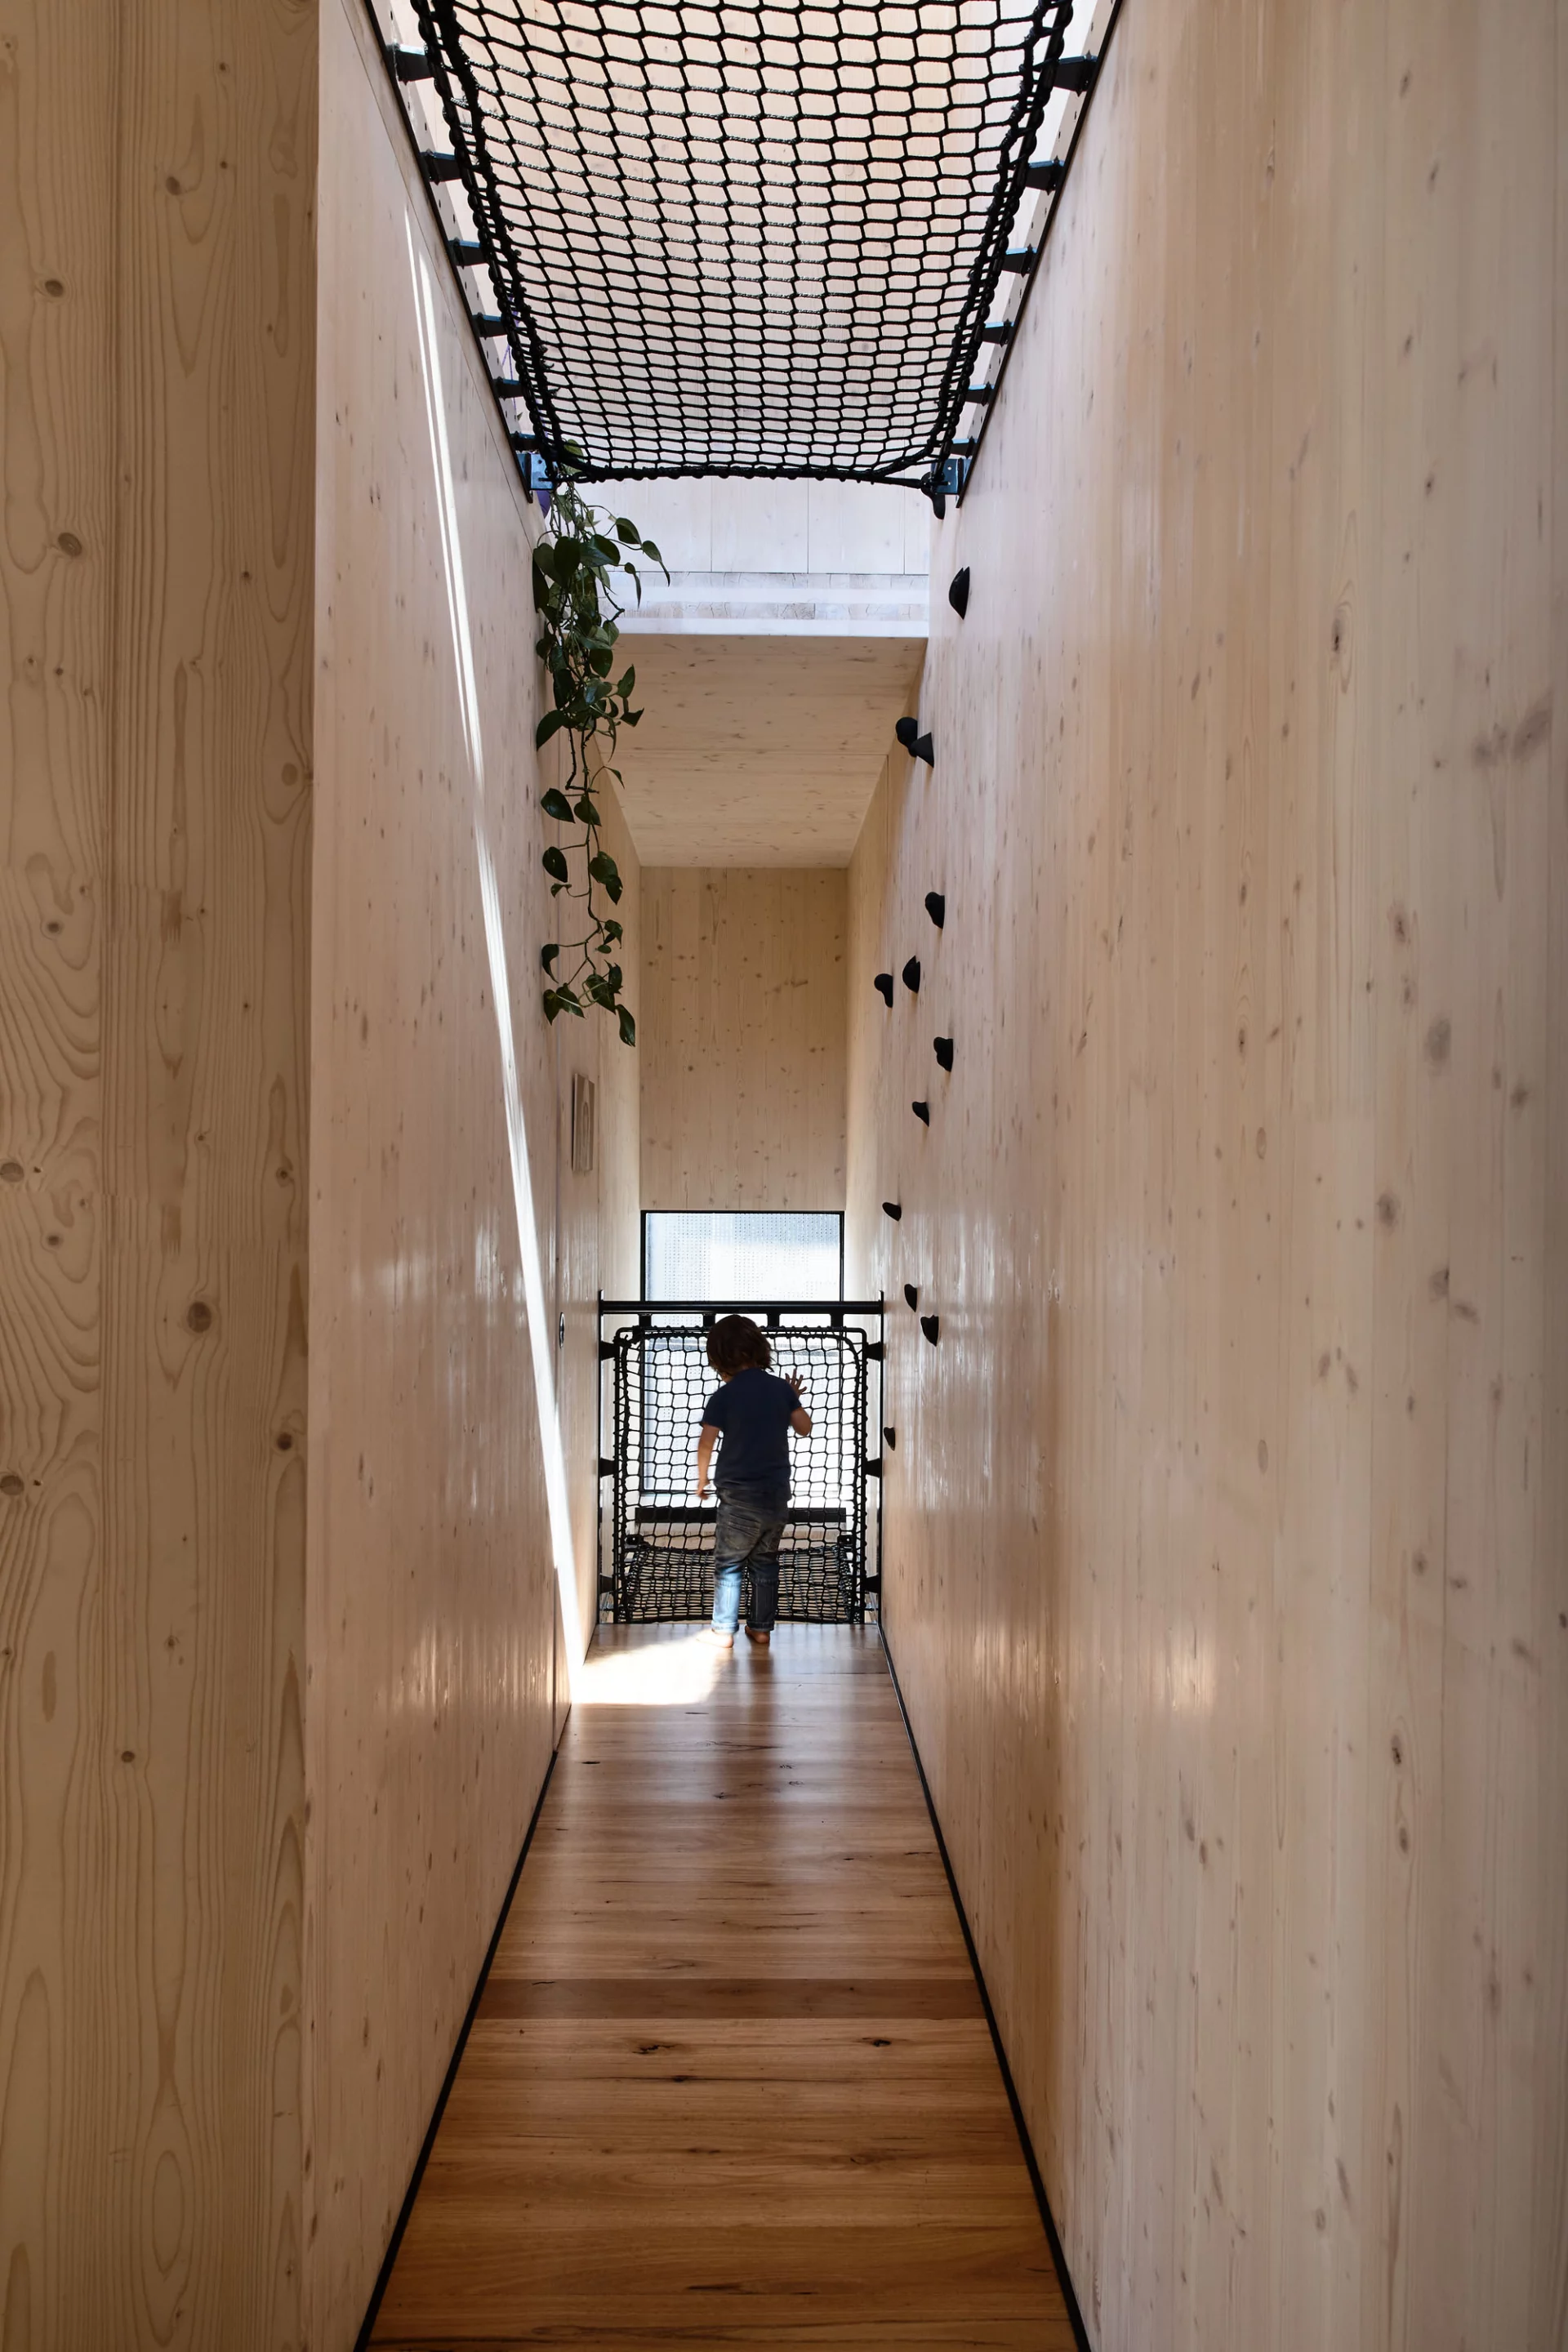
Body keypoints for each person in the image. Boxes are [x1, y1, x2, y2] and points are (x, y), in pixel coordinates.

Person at [695, 1313, 811, 1650]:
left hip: (738, 1498)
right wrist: (791, 1398)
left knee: (729, 1563)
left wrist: (702, 1479)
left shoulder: (723, 1396)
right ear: (758, 1349)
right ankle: (761, 1630)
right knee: (765, 1562)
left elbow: (706, 1443)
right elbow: (805, 1428)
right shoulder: (780, 1389)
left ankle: (723, 1631)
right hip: (776, 1497)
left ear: (719, 1360)